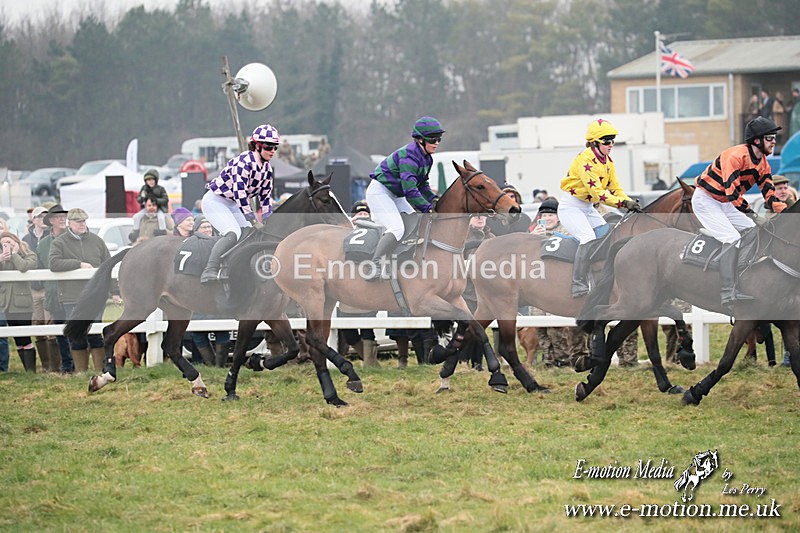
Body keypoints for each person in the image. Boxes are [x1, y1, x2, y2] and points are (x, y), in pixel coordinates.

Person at [692, 116, 786, 306]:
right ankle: (727, 291)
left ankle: (743, 271)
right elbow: (733, 193)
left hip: (725, 202)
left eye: (774, 137)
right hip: (706, 200)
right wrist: (753, 215)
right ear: (757, 140)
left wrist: (785, 212)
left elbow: (768, 190)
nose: (774, 141)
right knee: (732, 238)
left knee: (754, 231)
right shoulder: (734, 156)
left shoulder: (763, 162)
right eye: (770, 137)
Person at [558, 118, 639, 297]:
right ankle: (578, 283)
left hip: (587, 207)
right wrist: (623, 203)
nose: (611, 145)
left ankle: (597, 275)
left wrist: (630, 202)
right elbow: (598, 194)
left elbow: (616, 189)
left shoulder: (607, 161)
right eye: (607, 141)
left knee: (606, 234)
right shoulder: (585, 159)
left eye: (613, 141)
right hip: (571, 207)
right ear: (595, 142)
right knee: (587, 237)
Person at [364, 116, 443, 281]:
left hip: (396, 194)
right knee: (397, 228)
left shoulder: (427, 157)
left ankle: (399, 260)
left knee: (415, 223)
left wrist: (434, 200)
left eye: (439, 139)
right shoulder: (409, 157)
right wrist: (427, 208)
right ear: (419, 140)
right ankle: (375, 265)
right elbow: (410, 190)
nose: (436, 143)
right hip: (380, 192)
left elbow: (422, 184)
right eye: (432, 139)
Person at [200, 124, 278, 283]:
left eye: (275, 147)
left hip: (233, 204)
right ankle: (210, 269)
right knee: (233, 232)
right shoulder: (244, 162)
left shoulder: (267, 169)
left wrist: (268, 218)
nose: (273, 151)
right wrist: (252, 218)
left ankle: (235, 268)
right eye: (269, 146)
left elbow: (265, 198)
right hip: (215, 201)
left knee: (250, 234)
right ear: (257, 145)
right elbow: (240, 193)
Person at [49, 208, 120, 372]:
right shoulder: (59, 242)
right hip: (71, 296)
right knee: (76, 335)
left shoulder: (97, 241)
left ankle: (99, 371)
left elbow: (108, 266)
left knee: (95, 333)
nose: (82, 224)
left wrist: (115, 291)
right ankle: (81, 372)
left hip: (96, 295)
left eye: (84, 221)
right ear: (70, 223)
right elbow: (53, 263)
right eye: (78, 221)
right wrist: (78, 264)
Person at [527, 198, 590, 367]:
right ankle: (549, 358)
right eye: (544, 215)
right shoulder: (533, 233)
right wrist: (531, 238)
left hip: (560, 286)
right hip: (538, 285)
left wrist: (552, 236)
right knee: (539, 323)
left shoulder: (568, 231)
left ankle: (563, 358)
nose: (547, 218)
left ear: (558, 217)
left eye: (551, 215)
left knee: (557, 324)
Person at [337, 200, 381, 366]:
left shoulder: (377, 232)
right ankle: (371, 361)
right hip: (347, 287)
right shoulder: (346, 233)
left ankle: (370, 363)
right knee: (348, 332)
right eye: (359, 214)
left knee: (367, 328)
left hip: (367, 284)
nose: (362, 216)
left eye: (365, 214)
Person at [188, 215, 230, 367]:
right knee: (198, 331)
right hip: (198, 293)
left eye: (209, 227)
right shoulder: (192, 245)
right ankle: (211, 364)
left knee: (222, 328)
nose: (208, 229)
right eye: (204, 227)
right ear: (197, 229)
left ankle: (220, 365)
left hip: (217, 292)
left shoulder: (221, 243)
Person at [37, 204, 73, 373]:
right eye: (58, 217)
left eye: (64, 216)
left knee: (75, 329)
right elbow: (39, 268)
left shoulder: (73, 238)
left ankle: (78, 365)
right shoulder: (43, 244)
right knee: (60, 331)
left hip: (71, 293)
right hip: (53, 293)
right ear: (50, 220)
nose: (62, 219)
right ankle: (66, 364)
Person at [0, 231, 39, 372]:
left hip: (22, 303)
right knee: (17, 338)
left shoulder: (28, 253)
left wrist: (15, 254)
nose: (7, 246)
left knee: (25, 336)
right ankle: (26, 370)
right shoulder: (3, 257)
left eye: (9, 242)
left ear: (15, 240)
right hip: (6, 303)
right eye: (4, 244)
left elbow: (24, 267)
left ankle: (31, 371)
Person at [132, 169, 169, 234]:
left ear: (156, 180)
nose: (151, 182)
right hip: (147, 209)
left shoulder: (160, 189)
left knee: (161, 218)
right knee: (136, 217)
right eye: (149, 180)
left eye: (152, 180)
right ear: (146, 181)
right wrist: (143, 198)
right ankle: (135, 232)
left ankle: (162, 232)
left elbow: (166, 200)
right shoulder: (144, 188)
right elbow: (139, 199)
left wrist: (156, 200)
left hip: (158, 209)